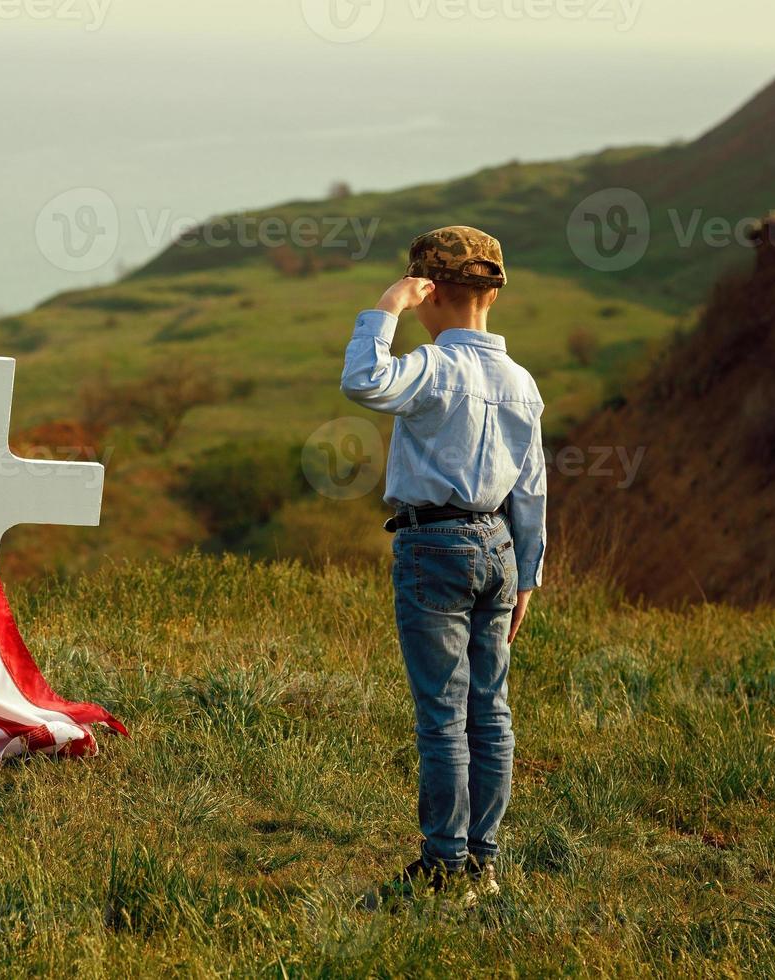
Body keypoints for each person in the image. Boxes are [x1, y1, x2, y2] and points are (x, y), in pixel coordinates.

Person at [340, 226, 546, 907]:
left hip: (433, 547)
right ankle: (483, 864)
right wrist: (530, 578)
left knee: (442, 713)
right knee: (492, 713)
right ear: (492, 293)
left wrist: (386, 308)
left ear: (431, 291)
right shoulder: (521, 382)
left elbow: (364, 380)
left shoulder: (434, 366)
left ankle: (442, 865)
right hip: (500, 551)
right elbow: (532, 488)